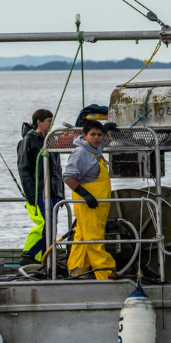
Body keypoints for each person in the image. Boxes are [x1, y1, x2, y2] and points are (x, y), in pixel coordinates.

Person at [63, 119, 115, 279]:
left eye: (100, 135)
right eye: (93, 135)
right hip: (88, 206)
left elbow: (99, 145)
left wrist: (105, 129)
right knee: (94, 239)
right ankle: (106, 274)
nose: (97, 138)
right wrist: (84, 194)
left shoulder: (94, 150)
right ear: (84, 136)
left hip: (98, 206)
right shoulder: (80, 153)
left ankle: (77, 271)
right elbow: (68, 177)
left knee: (82, 237)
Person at [16, 109, 63, 266]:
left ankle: (45, 260)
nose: (51, 124)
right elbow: (24, 168)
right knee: (45, 224)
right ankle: (28, 253)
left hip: (53, 191)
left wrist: (59, 192)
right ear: (39, 122)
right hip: (39, 192)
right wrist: (31, 194)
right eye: (49, 121)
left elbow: (57, 168)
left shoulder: (50, 140)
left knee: (53, 227)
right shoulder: (28, 141)